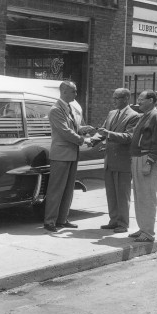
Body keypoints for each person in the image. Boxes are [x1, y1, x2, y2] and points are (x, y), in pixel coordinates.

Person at [43, 81, 94, 233]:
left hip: (71, 154)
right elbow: (65, 131)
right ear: (64, 91)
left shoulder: (69, 109)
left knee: (68, 189)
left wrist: (83, 129)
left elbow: (73, 128)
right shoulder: (56, 110)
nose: (76, 94)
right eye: (74, 91)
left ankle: (62, 219)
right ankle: (50, 221)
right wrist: (82, 140)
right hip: (61, 155)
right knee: (56, 189)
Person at [95, 88, 140, 234]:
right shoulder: (111, 113)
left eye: (117, 98)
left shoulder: (134, 116)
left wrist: (109, 134)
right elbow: (103, 131)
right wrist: (92, 139)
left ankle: (123, 223)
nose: (114, 101)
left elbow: (129, 137)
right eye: (113, 98)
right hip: (110, 160)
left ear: (126, 98)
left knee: (122, 194)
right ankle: (113, 220)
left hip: (123, 162)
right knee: (111, 193)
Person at [129, 89, 157, 243]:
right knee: (139, 196)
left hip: (147, 159)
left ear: (151, 100)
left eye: (141, 99)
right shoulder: (145, 115)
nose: (138, 101)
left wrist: (149, 162)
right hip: (138, 157)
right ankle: (143, 228)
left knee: (147, 196)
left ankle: (148, 233)